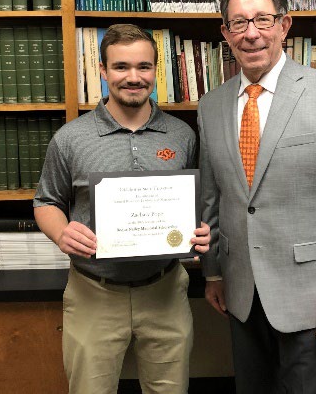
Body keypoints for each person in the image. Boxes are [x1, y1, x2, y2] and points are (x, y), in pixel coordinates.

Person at [198, 0, 316, 393]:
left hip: (312, 302)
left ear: (284, 25)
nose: (251, 33)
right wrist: (213, 274)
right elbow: (213, 198)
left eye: (262, 19)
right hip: (241, 296)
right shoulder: (211, 105)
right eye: (238, 23)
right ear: (225, 33)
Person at [34, 23, 210, 394]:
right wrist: (61, 231)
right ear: (102, 71)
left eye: (144, 67)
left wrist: (200, 230)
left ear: (155, 72)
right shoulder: (71, 138)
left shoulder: (182, 135)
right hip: (93, 292)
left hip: (165, 291)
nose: (134, 77)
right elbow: (46, 201)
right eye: (121, 67)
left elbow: (195, 204)